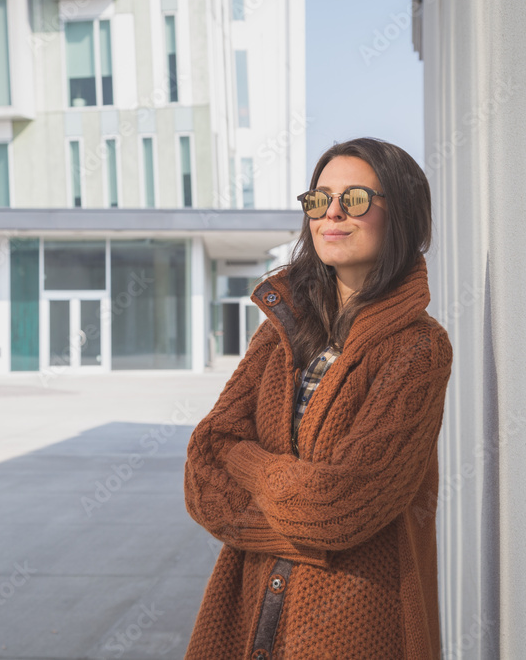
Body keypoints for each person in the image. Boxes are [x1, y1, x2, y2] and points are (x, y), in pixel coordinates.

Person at [183, 137, 453, 659]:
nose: (331, 214)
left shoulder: (419, 348)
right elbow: (203, 476)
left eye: (353, 199)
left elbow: (338, 507)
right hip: (248, 610)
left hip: (357, 622)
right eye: (318, 199)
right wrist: (313, 526)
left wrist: (247, 461)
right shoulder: (283, 332)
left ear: (400, 214)